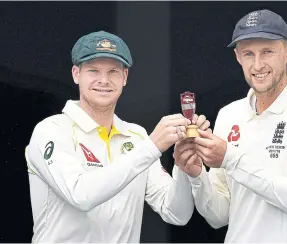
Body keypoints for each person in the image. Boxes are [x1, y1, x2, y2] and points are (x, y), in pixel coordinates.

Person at [25, 30, 209, 243]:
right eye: (93, 70)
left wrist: (183, 167)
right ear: (76, 74)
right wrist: (152, 146)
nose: (104, 80)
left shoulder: (136, 136)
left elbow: (176, 213)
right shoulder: (52, 130)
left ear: (125, 77)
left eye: (113, 71)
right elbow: (81, 195)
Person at [173, 9, 287, 243]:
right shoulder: (229, 115)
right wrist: (197, 175)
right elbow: (219, 216)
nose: (257, 64)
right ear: (238, 57)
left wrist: (230, 157)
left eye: (267, 51)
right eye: (249, 54)